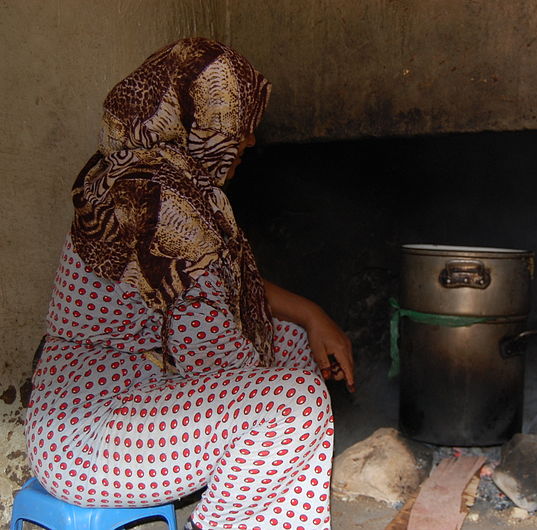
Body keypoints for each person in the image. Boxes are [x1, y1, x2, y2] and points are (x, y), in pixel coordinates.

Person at [25, 37, 354, 530]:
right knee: (293, 403)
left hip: (125, 401)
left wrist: (311, 317)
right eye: (239, 128)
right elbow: (210, 346)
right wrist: (288, 393)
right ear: (199, 121)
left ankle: (252, 507)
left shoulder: (156, 178)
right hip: (86, 436)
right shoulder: (157, 203)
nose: (249, 142)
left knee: (288, 346)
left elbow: (225, 287)